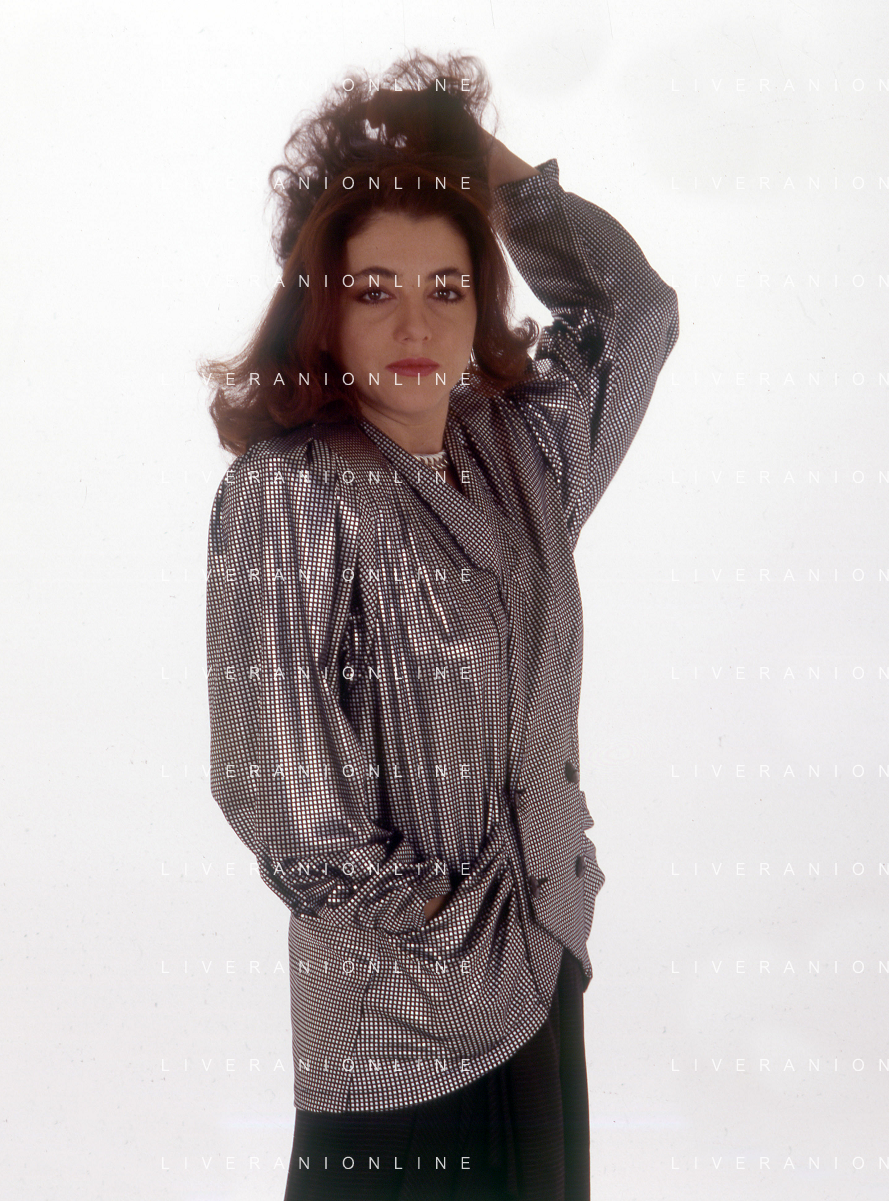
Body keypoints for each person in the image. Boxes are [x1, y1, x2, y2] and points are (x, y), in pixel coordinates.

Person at [201, 49, 679, 1201]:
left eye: (447, 287)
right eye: (375, 290)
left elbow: (633, 314)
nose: (414, 321)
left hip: (541, 963)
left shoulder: (521, 452)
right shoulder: (291, 490)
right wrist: (439, 925)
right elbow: (276, 787)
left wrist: (485, 169)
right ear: (323, 305)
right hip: (398, 1022)